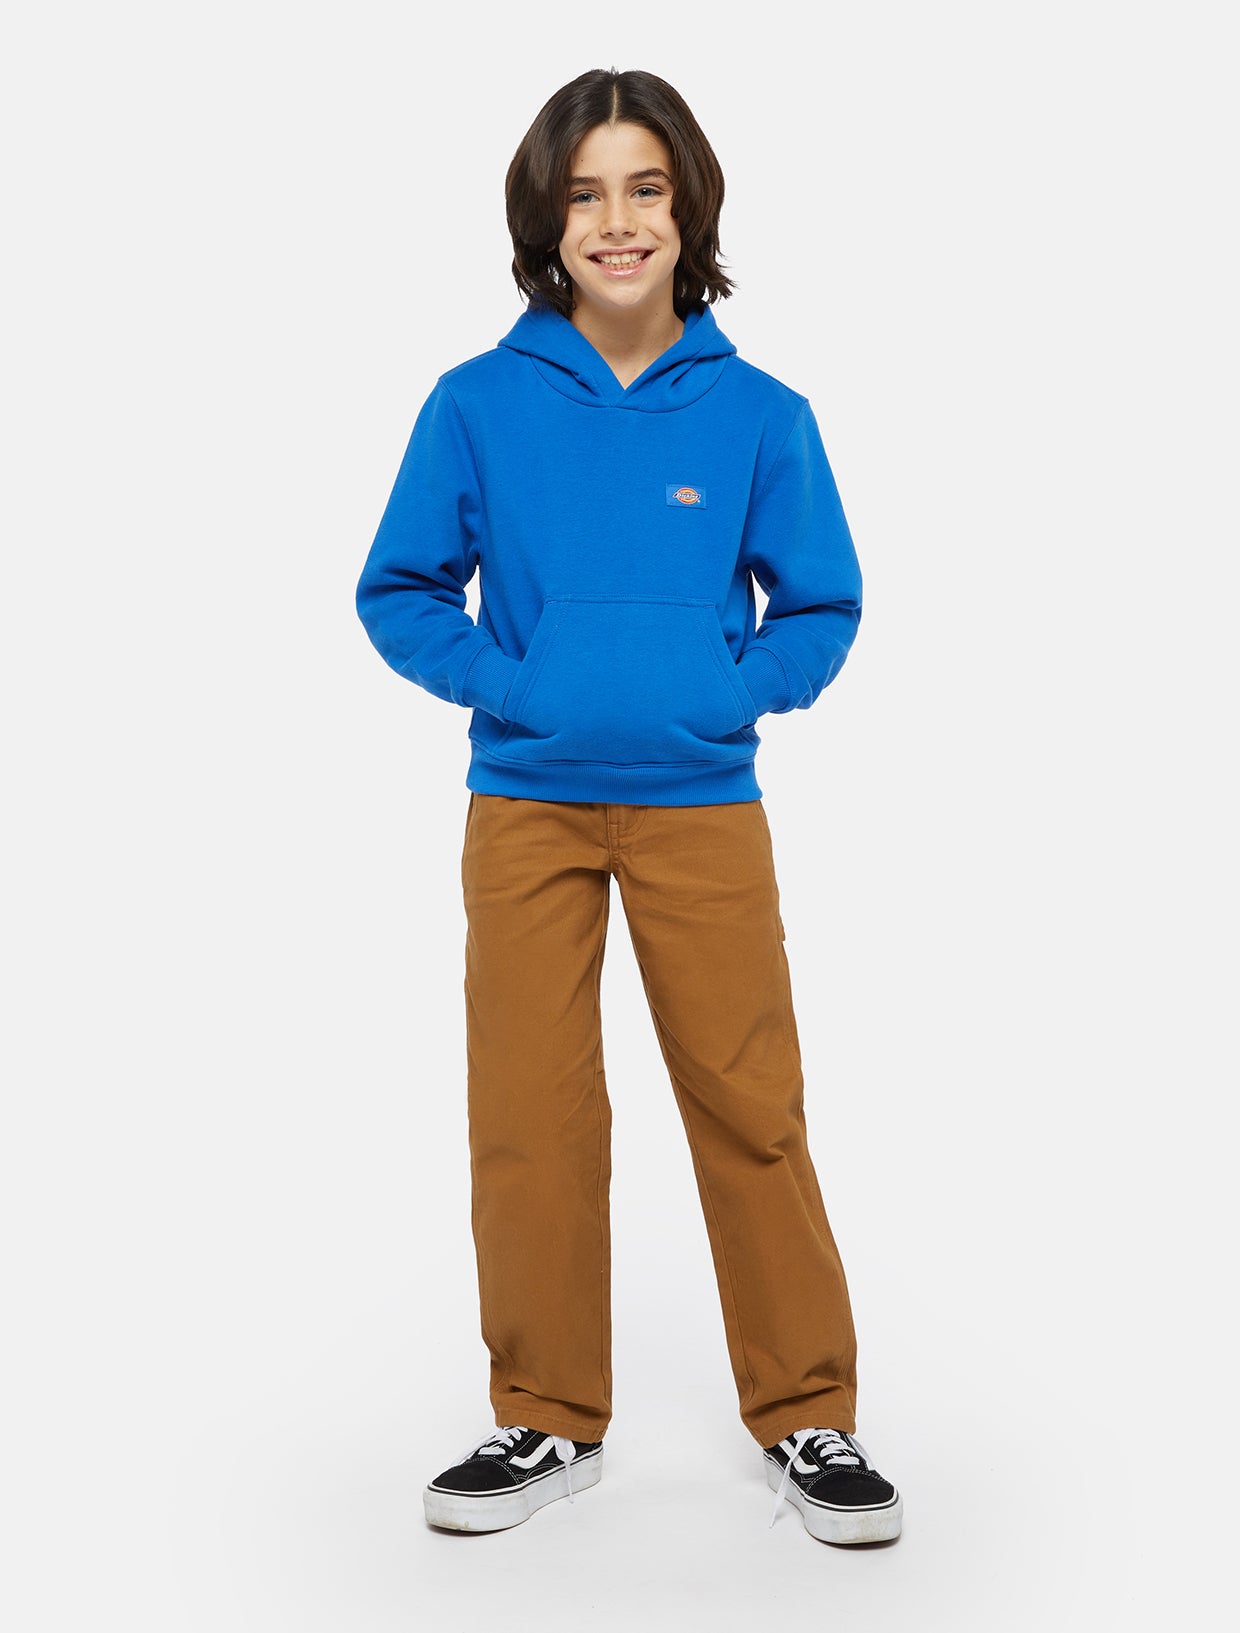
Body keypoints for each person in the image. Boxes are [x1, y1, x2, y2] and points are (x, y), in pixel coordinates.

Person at [355, 66, 902, 1547]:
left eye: (644, 187)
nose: (616, 220)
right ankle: (545, 1415)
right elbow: (400, 589)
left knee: (750, 1104)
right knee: (529, 1112)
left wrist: (728, 693)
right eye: (584, 191)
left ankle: (809, 1412)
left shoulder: (761, 414)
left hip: (701, 805)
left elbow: (822, 603)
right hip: (525, 806)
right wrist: (510, 685)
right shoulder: (476, 403)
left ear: (687, 206)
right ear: (546, 217)